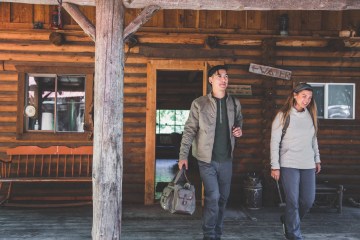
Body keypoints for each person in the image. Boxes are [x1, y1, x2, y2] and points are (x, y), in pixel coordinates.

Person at [178, 65, 243, 240]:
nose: (224, 79)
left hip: (227, 159)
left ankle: (217, 232)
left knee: (223, 199)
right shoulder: (199, 103)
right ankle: (208, 233)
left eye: (226, 76)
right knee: (213, 196)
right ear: (210, 80)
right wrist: (183, 155)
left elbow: (238, 124)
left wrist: (239, 130)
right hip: (206, 160)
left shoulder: (234, 103)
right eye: (219, 76)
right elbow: (189, 131)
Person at [270, 82, 321, 240]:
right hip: (289, 164)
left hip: (308, 164)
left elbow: (314, 140)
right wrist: (275, 166)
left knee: (308, 200)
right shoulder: (283, 115)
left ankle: (288, 221)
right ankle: (294, 235)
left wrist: (317, 159)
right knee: (292, 202)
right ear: (295, 95)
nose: (307, 100)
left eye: (310, 97)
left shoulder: (310, 115)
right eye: (304, 96)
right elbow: (274, 142)